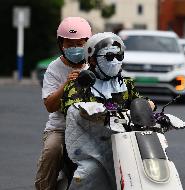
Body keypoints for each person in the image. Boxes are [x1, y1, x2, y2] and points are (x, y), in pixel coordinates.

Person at [60, 32, 155, 189]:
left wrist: (148, 106)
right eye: (109, 57)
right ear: (91, 59)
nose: (115, 61)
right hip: (89, 147)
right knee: (90, 172)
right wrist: (93, 114)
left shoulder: (126, 84)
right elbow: (71, 109)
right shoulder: (79, 84)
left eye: (119, 56)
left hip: (125, 144)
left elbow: (140, 102)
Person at [35, 17, 92, 190]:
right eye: (69, 44)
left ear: (88, 43)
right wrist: (66, 84)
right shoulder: (54, 68)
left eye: (79, 43)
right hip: (61, 128)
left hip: (92, 127)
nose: (75, 48)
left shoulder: (96, 65)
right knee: (52, 151)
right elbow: (50, 106)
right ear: (61, 44)